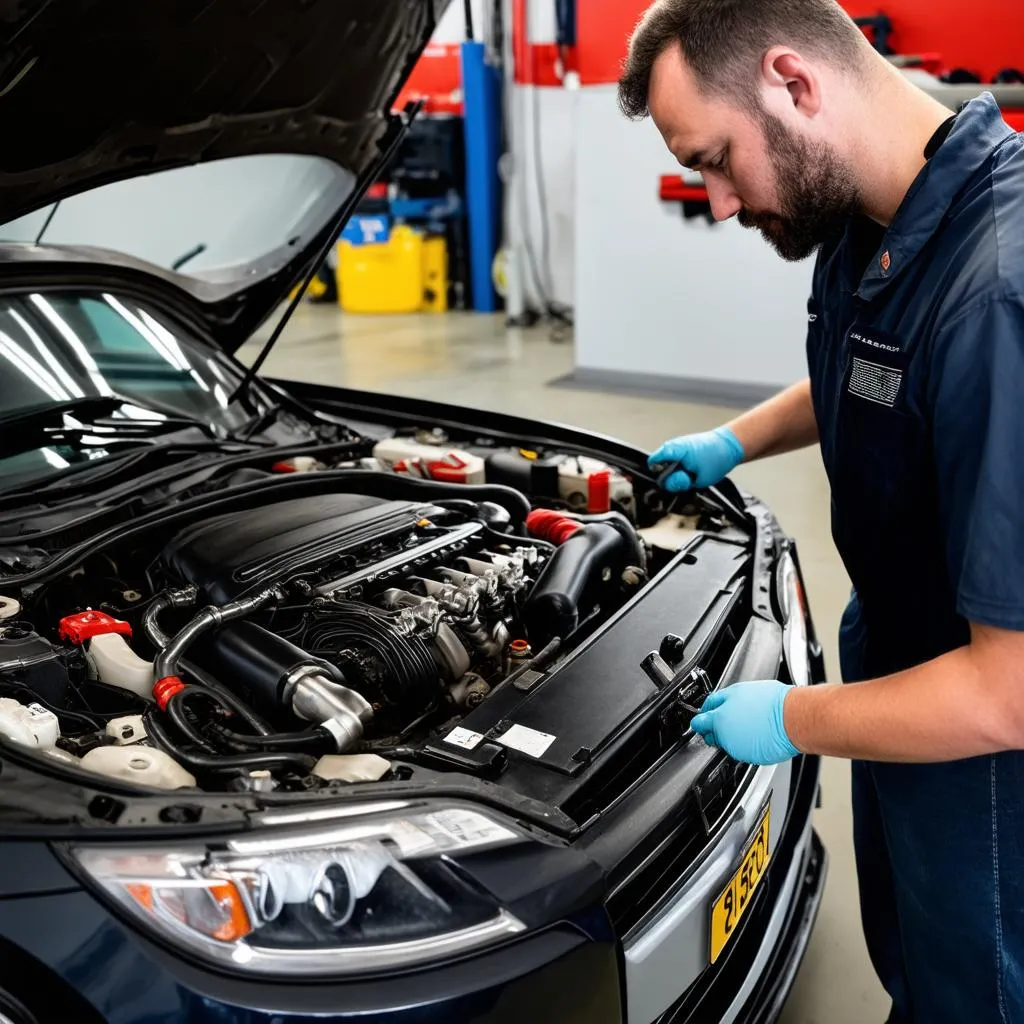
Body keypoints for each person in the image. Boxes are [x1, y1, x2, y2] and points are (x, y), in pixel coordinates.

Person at [618, 2, 1024, 1021]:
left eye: (715, 160)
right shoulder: (873, 211)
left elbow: (1009, 692)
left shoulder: (998, 292)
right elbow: (875, 373)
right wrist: (733, 440)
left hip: (975, 734)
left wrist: (791, 717)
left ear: (793, 84)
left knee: (973, 992)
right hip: (898, 666)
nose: (715, 202)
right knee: (913, 959)